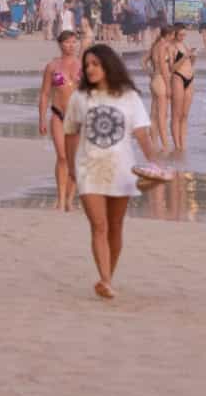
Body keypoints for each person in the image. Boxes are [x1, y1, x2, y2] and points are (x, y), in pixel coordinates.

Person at [64, 44, 166, 301]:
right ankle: (105, 280)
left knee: (115, 226)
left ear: (108, 66)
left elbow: (142, 134)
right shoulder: (80, 98)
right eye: (87, 65)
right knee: (99, 225)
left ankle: (108, 276)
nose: (90, 69)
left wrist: (155, 164)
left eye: (95, 64)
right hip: (89, 168)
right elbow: (71, 132)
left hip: (121, 170)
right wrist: (71, 166)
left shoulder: (129, 97)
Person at [36, 30, 84, 212]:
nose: (71, 46)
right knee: (62, 157)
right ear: (60, 44)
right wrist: (41, 118)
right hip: (58, 114)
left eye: (74, 42)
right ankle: (61, 199)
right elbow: (45, 94)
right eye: (67, 42)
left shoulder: (83, 66)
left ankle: (70, 199)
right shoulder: (52, 66)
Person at [166, 24, 197, 153]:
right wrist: (185, 56)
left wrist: (193, 57)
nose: (183, 37)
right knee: (176, 115)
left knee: (185, 115)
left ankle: (183, 144)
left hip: (190, 79)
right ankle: (177, 146)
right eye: (180, 35)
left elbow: (191, 63)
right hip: (178, 78)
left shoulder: (185, 44)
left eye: (184, 34)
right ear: (174, 34)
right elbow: (172, 68)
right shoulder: (171, 47)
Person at [143, 27, 173, 153]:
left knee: (154, 115)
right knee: (162, 116)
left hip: (154, 80)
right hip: (161, 80)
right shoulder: (164, 46)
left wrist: (150, 73)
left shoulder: (154, 45)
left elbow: (143, 61)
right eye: (172, 35)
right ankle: (165, 145)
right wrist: (169, 86)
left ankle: (154, 144)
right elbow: (164, 67)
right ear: (169, 35)